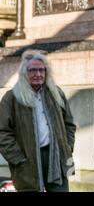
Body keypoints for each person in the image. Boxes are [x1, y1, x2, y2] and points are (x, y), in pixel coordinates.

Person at [0, 50, 76, 192]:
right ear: (24, 73)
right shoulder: (12, 98)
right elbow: (2, 132)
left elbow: (69, 124)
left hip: (56, 159)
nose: (38, 74)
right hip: (27, 161)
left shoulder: (56, 93)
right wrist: (18, 159)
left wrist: (67, 147)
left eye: (42, 70)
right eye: (33, 70)